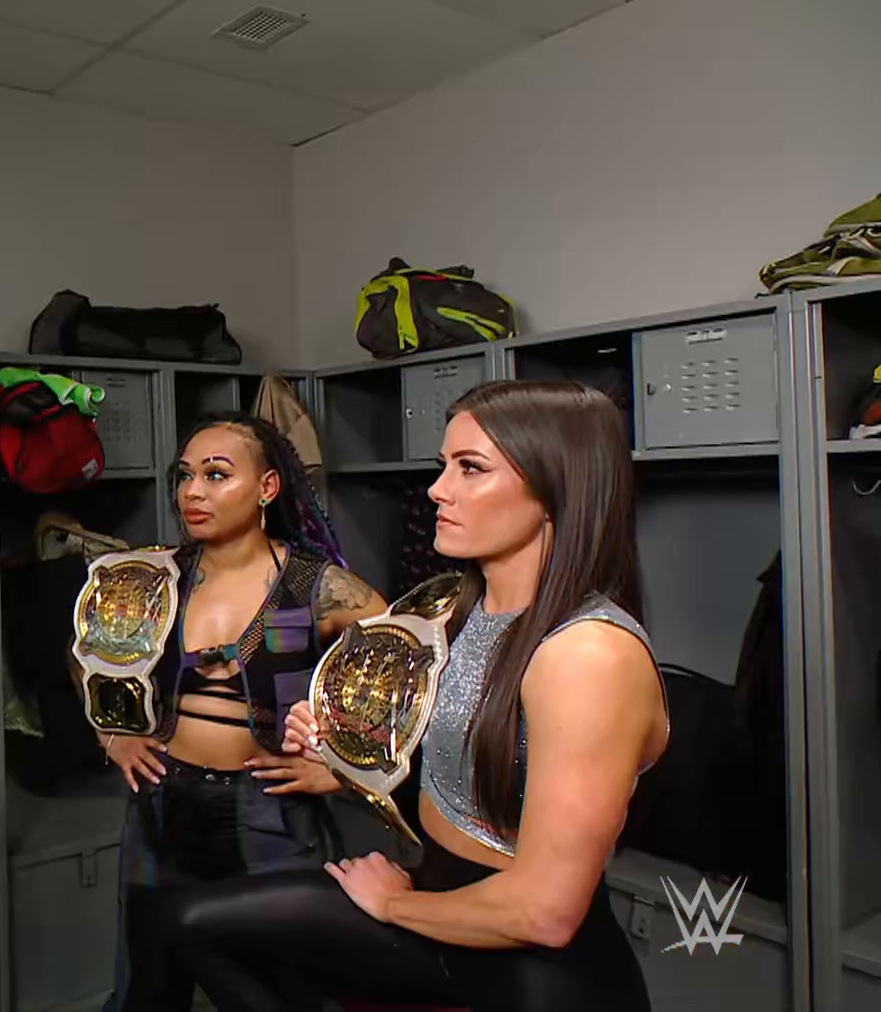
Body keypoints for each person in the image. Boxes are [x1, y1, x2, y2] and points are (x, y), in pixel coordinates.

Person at [161, 380, 669, 1012]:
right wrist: (338, 754)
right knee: (196, 926)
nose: (436, 490)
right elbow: (441, 775)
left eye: (470, 468)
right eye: (442, 465)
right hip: (437, 895)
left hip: (531, 970)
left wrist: (396, 905)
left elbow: (545, 911)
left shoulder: (587, 654)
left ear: (554, 490)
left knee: (207, 928)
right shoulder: (451, 611)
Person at [96, 413, 387, 1012]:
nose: (192, 492)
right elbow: (88, 653)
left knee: (276, 988)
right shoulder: (159, 578)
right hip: (161, 804)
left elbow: (400, 670)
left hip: (267, 814)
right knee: (148, 983)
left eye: (216, 475)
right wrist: (112, 735)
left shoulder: (316, 587)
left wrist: (342, 770)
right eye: (185, 476)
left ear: (267, 487)